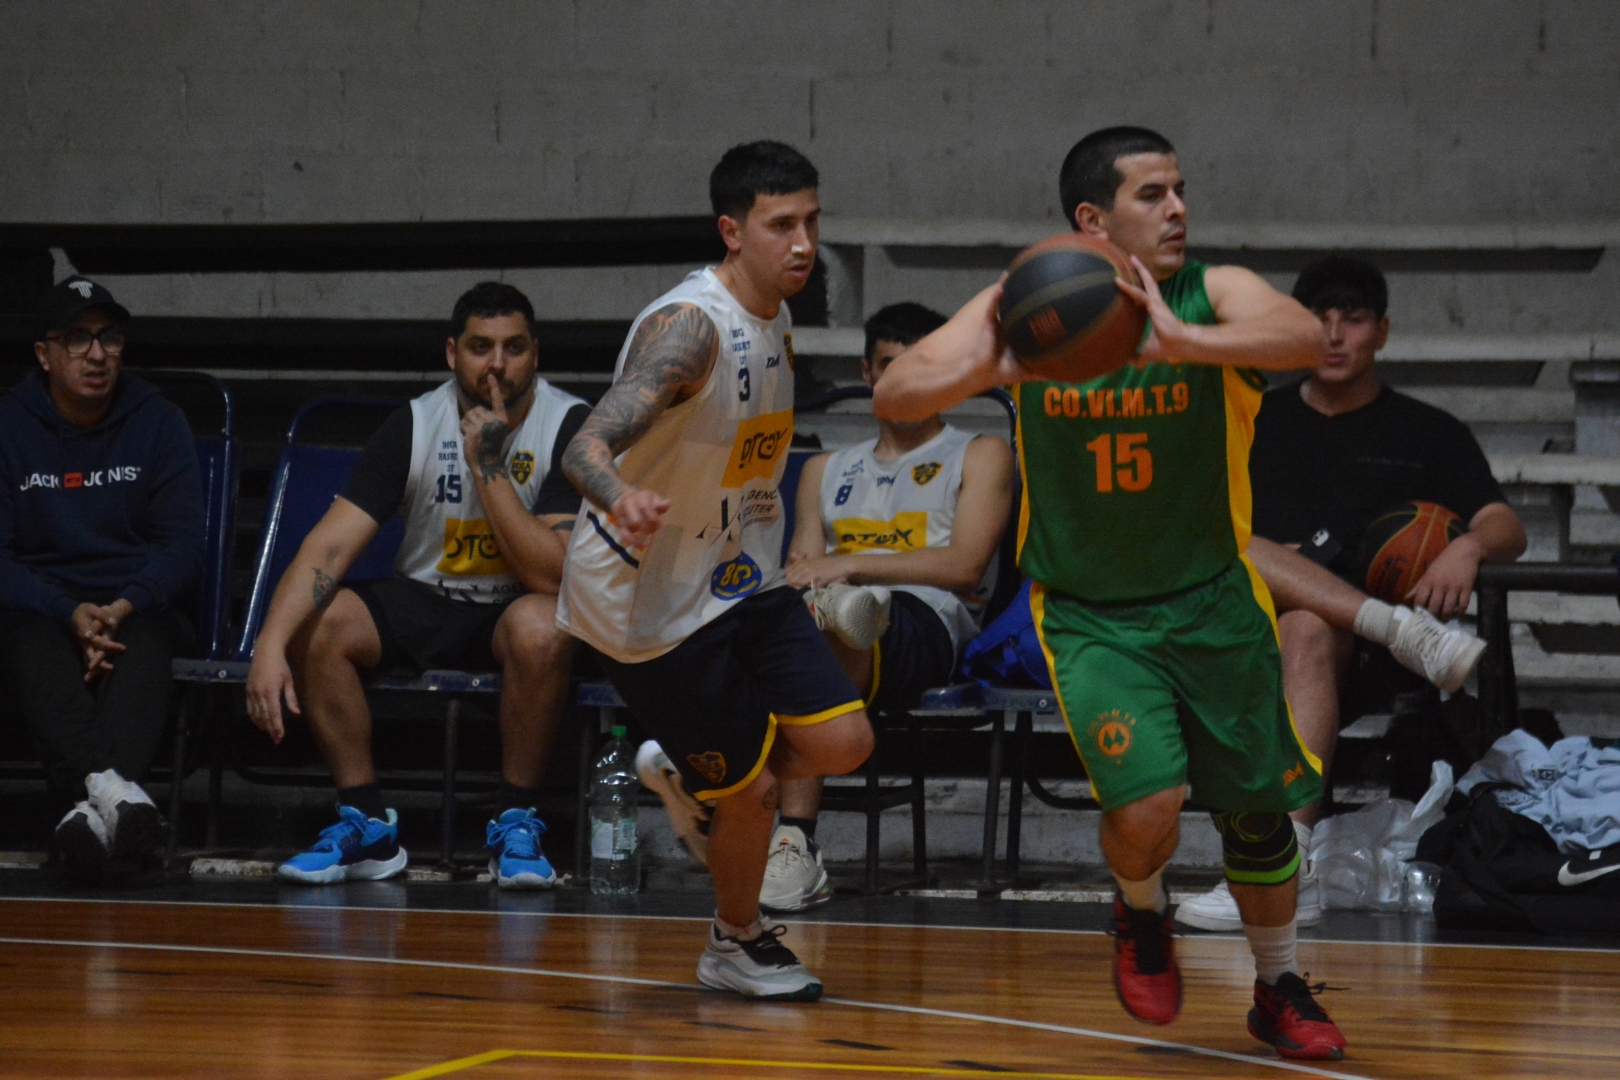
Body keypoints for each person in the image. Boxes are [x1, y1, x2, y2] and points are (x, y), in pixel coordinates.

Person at [873, 127, 1347, 1060]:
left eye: (1180, 191)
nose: (1178, 210)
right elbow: (897, 390)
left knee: (1258, 818)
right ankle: (1139, 910)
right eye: (1152, 195)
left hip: (1214, 599)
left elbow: (1304, 336)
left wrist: (1186, 342)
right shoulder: (1023, 303)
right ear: (1092, 219)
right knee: (1147, 806)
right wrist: (990, 368)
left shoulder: (1210, 293)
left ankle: (1278, 983)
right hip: (1091, 614)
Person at [558, 141, 874, 1001]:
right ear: (732, 232)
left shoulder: (776, 312)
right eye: (781, 225)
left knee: (844, 741)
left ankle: (691, 772)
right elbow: (583, 445)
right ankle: (735, 942)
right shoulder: (690, 329)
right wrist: (620, 495)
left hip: (736, 572)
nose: (803, 242)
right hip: (647, 600)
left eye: (812, 221)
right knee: (754, 794)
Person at [1177, 256, 1526, 932]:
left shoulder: (1429, 431)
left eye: (1354, 320)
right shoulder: (1252, 419)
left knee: (1307, 627)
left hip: (1365, 663)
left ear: (1382, 332)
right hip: (1235, 633)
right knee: (1235, 545)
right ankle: (1395, 624)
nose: (1334, 335)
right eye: (1318, 320)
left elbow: (1506, 525)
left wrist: (1466, 547)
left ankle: (1279, 869)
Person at [245, 282, 587, 889]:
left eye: (513, 348)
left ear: (536, 354)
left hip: (515, 605)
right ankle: (368, 825)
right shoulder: (414, 423)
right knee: (318, 622)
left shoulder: (569, 426)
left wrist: (487, 465)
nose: (497, 365)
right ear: (452, 353)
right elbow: (328, 549)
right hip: (427, 597)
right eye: (480, 347)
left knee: (545, 626)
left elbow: (551, 575)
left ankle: (516, 823)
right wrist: (269, 645)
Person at [745, 301, 1013, 910]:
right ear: (868, 373)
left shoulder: (981, 453)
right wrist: (828, 582)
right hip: (830, 613)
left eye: (924, 366)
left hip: (929, 620)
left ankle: (795, 839)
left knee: (820, 632)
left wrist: (850, 565)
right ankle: (844, 616)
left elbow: (964, 567)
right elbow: (803, 569)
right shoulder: (824, 469)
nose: (907, 380)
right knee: (800, 620)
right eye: (892, 366)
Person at [0, 277, 204, 883]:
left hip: (134, 607)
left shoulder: (158, 421)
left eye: (108, 337)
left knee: (145, 644)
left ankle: (84, 816)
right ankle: (116, 797)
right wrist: (68, 612)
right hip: (42, 606)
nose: (96, 354)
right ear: (45, 355)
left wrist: (121, 606)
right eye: (77, 338)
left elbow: (182, 545)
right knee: (25, 639)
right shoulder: (9, 427)